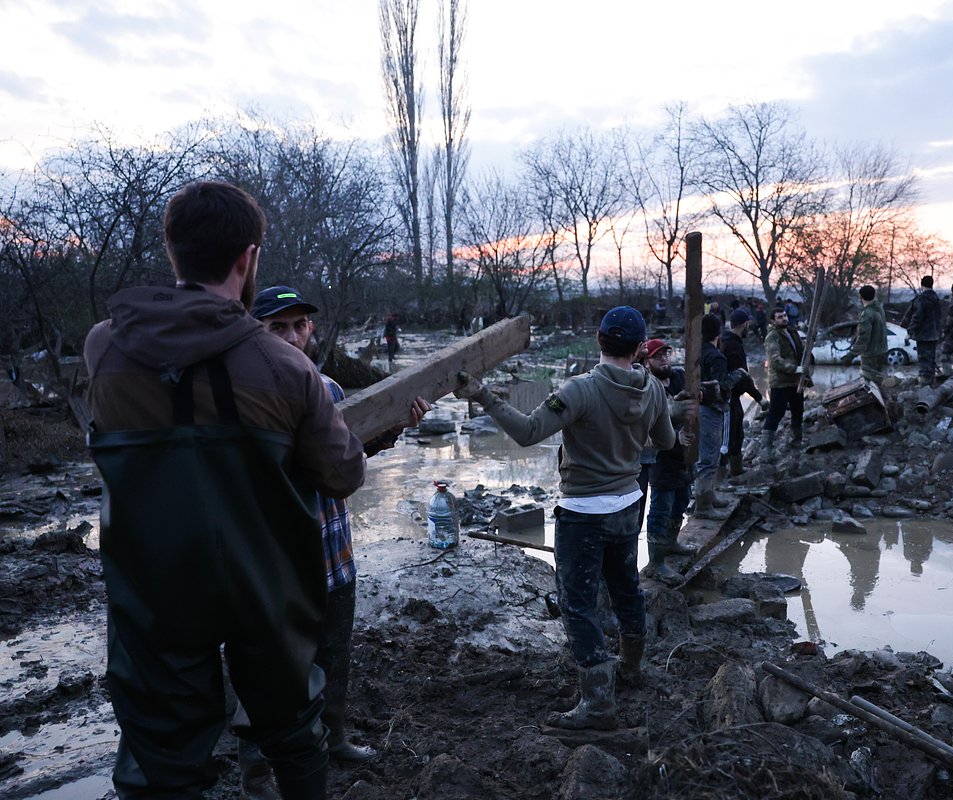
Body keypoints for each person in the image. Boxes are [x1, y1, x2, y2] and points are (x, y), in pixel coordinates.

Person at [84, 181, 365, 799]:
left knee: (158, 758)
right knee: (294, 729)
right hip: (262, 588)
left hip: (152, 589)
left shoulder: (104, 347)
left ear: (172, 251)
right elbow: (342, 474)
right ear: (248, 259)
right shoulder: (287, 368)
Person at [237, 287, 429, 797]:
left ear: (311, 331)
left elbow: (349, 451)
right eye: (278, 328)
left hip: (333, 556)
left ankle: (334, 737)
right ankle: (256, 768)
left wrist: (394, 427)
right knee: (267, 672)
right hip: (274, 570)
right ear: (256, 333)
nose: (291, 336)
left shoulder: (329, 389)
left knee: (333, 656)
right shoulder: (237, 399)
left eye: (298, 326)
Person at [453, 306, 675, 730]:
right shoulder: (653, 389)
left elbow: (527, 431)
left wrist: (482, 394)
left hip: (583, 514)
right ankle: (631, 668)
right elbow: (665, 441)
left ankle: (597, 703)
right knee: (627, 588)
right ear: (640, 348)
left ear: (598, 339)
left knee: (578, 604)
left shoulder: (580, 389)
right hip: (629, 505)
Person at [643, 339, 697, 583]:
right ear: (647, 362)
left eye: (666, 355)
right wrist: (675, 435)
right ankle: (656, 561)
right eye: (658, 357)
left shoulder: (678, 377)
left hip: (682, 455)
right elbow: (650, 423)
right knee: (660, 508)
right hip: (660, 456)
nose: (664, 360)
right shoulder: (648, 386)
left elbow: (694, 394)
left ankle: (672, 541)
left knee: (682, 498)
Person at [693, 313, 739, 519]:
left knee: (703, 456)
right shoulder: (716, 356)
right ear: (718, 332)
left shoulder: (695, 353)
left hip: (696, 409)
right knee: (709, 458)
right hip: (711, 410)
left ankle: (707, 496)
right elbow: (722, 385)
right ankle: (703, 505)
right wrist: (739, 374)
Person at [719, 308, 767, 477]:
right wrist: (759, 397)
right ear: (744, 324)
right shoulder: (733, 345)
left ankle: (732, 470)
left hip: (729, 396)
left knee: (733, 433)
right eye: (749, 323)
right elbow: (742, 377)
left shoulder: (726, 340)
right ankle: (726, 476)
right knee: (732, 435)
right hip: (729, 397)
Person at [760, 306, 806, 463]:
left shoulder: (792, 332)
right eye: (779, 317)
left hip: (795, 381)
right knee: (776, 413)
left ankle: (797, 440)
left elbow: (801, 351)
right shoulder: (772, 337)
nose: (784, 319)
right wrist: (794, 368)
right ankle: (765, 447)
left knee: (798, 409)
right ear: (773, 321)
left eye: (785, 316)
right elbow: (775, 360)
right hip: (780, 382)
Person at [842, 285, 888, 389]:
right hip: (882, 351)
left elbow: (863, 338)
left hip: (870, 355)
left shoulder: (867, 314)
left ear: (861, 297)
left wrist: (850, 356)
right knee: (878, 384)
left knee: (868, 385)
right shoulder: (879, 309)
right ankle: (884, 402)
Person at [901, 275, 943, 384]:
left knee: (924, 359)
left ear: (922, 284)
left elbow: (917, 317)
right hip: (934, 334)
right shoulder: (936, 298)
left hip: (924, 335)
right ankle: (931, 381)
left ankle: (924, 384)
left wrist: (910, 332)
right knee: (931, 359)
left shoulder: (921, 299)